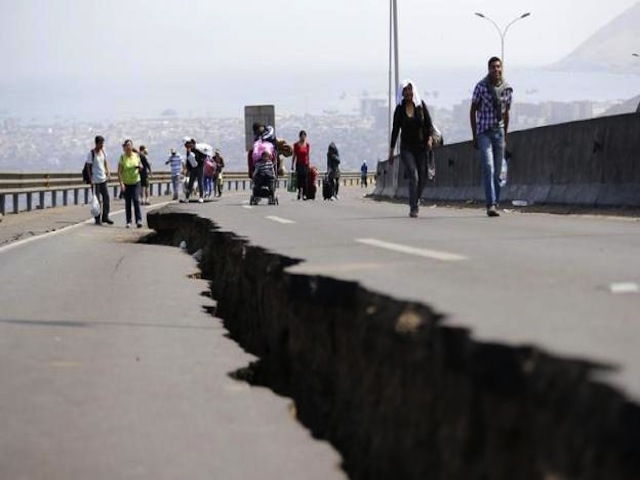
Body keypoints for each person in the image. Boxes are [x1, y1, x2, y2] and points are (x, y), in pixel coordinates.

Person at [470, 56, 513, 217]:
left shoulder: (507, 89)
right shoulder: (481, 87)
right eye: (493, 67)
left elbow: (506, 113)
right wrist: (474, 135)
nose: (496, 70)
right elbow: (473, 110)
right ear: (489, 70)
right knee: (488, 167)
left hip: (499, 132)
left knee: (498, 172)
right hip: (483, 132)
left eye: (498, 67)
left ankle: (496, 201)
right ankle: (491, 204)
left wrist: (505, 136)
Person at [389, 79, 434, 218]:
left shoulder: (420, 106)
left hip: (421, 147)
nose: (408, 92)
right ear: (402, 93)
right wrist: (391, 151)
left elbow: (429, 124)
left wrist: (430, 139)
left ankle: (416, 199)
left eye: (410, 89)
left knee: (424, 176)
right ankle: (413, 207)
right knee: (413, 176)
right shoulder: (399, 110)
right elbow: (395, 130)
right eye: (405, 90)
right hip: (407, 148)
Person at [85, 135, 113, 225]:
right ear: (96, 143)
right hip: (95, 180)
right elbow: (88, 167)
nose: (102, 145)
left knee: (106, 198)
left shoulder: (103, 152)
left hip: (103, 179)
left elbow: (105, 163)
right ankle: (97, 218)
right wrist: (90, 179)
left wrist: (108, 172)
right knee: (97, 201)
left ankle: (105, 216)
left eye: (102, 143)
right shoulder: (91, 153)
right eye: (101, 143)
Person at [117, 139, 143, 228]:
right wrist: (121, 183)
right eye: (127, 145)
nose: (128, 147)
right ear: (124, 147)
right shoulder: (122, 157)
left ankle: (138, 220)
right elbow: (119, 172)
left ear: (132, 147)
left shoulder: (136, 156)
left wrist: (140, 167)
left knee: (136, 200)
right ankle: (128, 221)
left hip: (136, 181)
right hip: (126, 182)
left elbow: (141, 166)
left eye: (130, 145)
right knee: (128, 202)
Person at [184, 138, 205, 203]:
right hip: (193, 169)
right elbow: (188, 160)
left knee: (200, 183)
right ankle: (187, 198)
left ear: (194, 144)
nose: (190, 145)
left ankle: (201, 197)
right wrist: (187, 169)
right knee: (190, 183)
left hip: (199, 168)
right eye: (190, 144)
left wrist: (194, 156)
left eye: (191, 144)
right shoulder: (189, 151)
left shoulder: (199, 150)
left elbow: (202, 158)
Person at [292, 130, 310, 200]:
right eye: (302, 136)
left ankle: (304, 194)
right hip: (299, 164)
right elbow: (294, 155)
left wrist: (309, 164)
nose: (303, 137)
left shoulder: (307, 145)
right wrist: (292, 164)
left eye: (304, 136)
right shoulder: (296, 145)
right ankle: (299, 191)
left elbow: (308, 155)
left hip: (305, 164)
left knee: (305, 179)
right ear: (300, 136)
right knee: (299, 179)